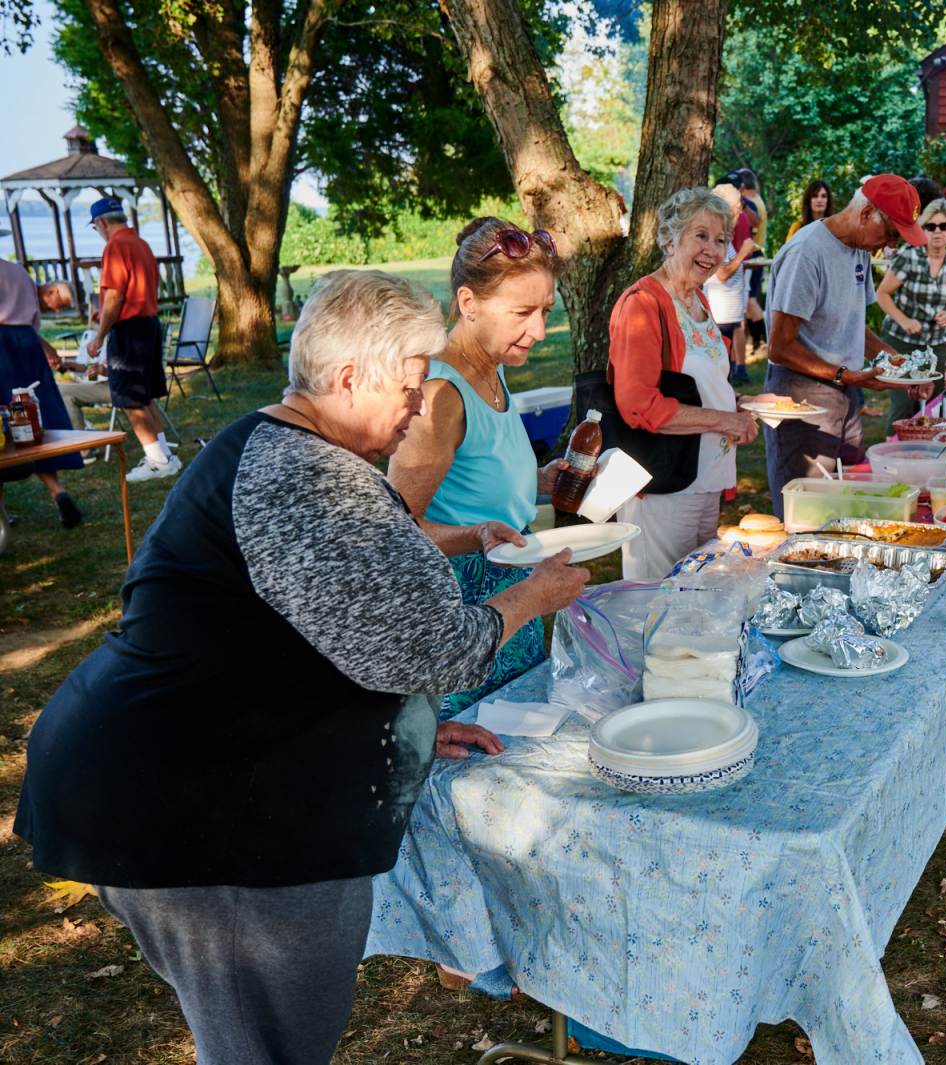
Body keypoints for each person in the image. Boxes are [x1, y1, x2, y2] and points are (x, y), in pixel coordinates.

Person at [15, 268, 591, 1064]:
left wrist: (397, 728)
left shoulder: (292, 450)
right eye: (411, 387)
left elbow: (310, 631)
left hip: (205, 788)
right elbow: (438, 646)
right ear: (350, 377)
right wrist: (535, 593)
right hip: (194, 817)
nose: (419, 407)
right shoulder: (303, 476)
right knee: (263, 1049)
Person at [387, 219, 577, 719]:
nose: (539, 331)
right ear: (469, 303)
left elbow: (473, 475)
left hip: (512, 590)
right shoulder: (440, 395)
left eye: (545, 311)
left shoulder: (491, 367)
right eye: (523, 312)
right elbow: (397, 530)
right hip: (465, 608)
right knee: (474, 741)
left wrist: (540, 481)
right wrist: (476, 535)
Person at [609, 186, 760, 578]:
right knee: (657, 598)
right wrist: (725, 420)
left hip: (705, 479)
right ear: (668, 240)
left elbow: (697, 383)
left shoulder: (698, 301)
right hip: (663, 485)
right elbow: (638, 405)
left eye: (721, 240)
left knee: (694, 595)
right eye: (700, 236)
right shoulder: (642, 304)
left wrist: (738, 404)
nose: (712, 250)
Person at [762, 174, 929, 512]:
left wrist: (902, 367)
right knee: (809, 509)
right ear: (866, 213)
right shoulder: (807, 252)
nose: (890, 245)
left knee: (849, 501)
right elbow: (780, 346)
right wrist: (847, 376)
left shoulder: (859, 249)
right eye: (891, 234)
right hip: (802, 397)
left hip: (844, 390)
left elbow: (852, 325)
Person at [80, 197, 178, 482]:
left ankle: (157, 461)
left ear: (101, 222)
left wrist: (99, 336)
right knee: (144, 396)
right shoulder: (141, 244)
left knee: (130, 399)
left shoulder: (115, 246)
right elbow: (137, 289)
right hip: (148, 325)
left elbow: (115, 295)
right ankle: (165, 457)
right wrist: (106, 312)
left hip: (129, 330)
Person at [874, 197, 946, 429]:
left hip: (936, 344)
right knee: (903, 404)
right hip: (901, 341)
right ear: (923, 228)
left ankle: (927, 447)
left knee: (936, 404)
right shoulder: (909, 256)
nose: (937, 231)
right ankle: (892, 446)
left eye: (943, 226)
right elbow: (882, 294)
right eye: (931, 226)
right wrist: (904, 320)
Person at [0, 260, 84, 529]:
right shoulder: (18, 271)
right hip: (27, 344)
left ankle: (1, 512)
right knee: (35, 418)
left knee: (3, 422)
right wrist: (47, 349)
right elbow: (30, 323)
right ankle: (58, 491)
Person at [707, 181, 758, 385]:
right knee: (719, 377)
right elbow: (722, 274)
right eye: (737, 208)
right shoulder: (716, 238)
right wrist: (744, 252)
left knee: (724, 377)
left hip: (729, 317)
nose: (740, 213)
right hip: (719, 318)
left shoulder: (725, 238)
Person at [736, 168, 770, 356]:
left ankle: (763, 340)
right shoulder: (757, 199)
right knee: (749, 301)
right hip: (756, 253)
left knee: (749, 301)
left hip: (753, 255)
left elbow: (752, 226)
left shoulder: (751, 203)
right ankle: (758, 342)